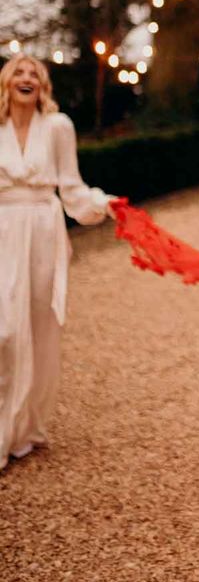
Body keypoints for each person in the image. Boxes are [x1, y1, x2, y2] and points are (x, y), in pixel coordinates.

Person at [0, 54, 114, 470]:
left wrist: (102, 204)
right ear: (7, 81)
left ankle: (23, 427)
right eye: (19, 71)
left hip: (43, 235)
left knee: (38, 329)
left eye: (35, 73)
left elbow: (72, 188)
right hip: (2, 232)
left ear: (43, 85)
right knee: (5, 332)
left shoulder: (58, 127)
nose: (26, 77)